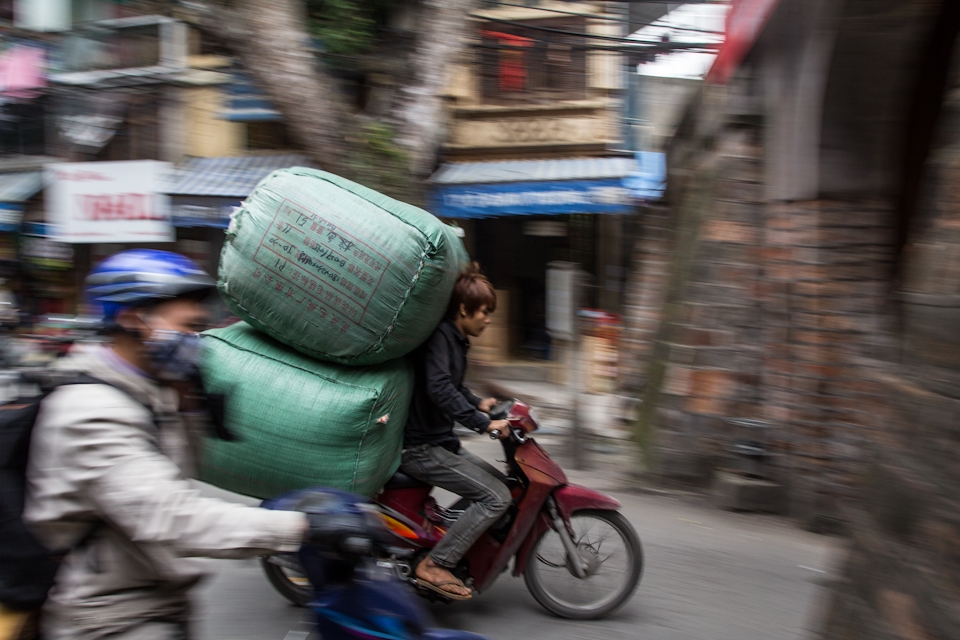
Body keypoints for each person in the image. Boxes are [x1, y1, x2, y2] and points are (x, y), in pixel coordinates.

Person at [22, 250, 312, 640]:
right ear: (131, 320)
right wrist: (302, 528)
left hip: (158, 602)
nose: (195, 341)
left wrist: (190, 403)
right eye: (187, 328)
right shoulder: (89, 411)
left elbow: (179, 477)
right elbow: (172, 516)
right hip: (110, 619)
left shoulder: (150, 392)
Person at [399, 267, 512, 600]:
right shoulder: (440, 337)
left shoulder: (454, 339)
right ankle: (436, 563)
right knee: (496, 497)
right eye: (485, 312)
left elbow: (453, 386)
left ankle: (454, 539)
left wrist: (480, 403)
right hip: (421, 449)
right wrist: (483, 423)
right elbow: (439, 388)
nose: (488, 319)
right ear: (464, 309)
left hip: (441, 442)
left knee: (504, 487)